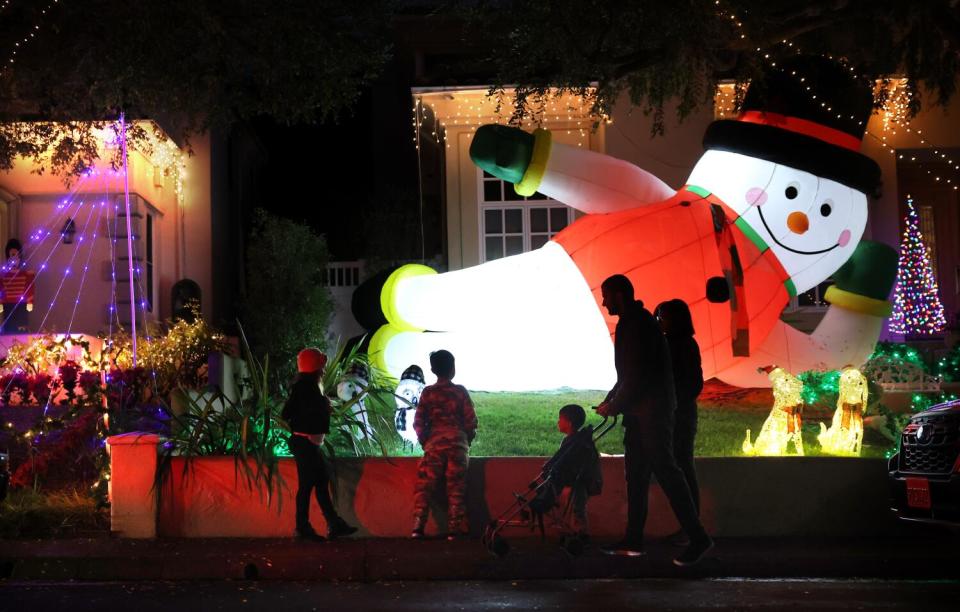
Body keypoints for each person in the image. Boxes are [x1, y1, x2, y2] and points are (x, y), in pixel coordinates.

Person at [596, 274, 713, 566]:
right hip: (641, 413)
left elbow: (637, 375)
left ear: (619, 296)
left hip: (651, 414)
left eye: (607, 296)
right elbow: (628, 375)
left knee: (667, 472)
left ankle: (697, 538)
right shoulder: (636, 323)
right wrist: (613, 400)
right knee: (636, 475)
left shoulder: (636, 325)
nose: (604, 302)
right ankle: (633, 539)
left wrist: (615, 404)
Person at [282, 348, 358, 542]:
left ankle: (330, 524)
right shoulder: (306, 388)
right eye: (322, 366)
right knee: (309, 485)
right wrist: (322, 406)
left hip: (306, 443)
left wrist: (321, 405)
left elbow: (287, 412)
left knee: (319, 482)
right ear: (315, 368)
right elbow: (296, 413)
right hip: (305, 443)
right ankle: (305, 528)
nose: (324, 370)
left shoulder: (304, 387)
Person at [412, 349, 478, 540]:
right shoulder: (460, 392)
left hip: (434, 447)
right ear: (453, 368)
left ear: (433, 369)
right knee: (456, 488)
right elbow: (471, 421)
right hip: (458, 446)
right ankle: (454, 531)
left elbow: (418, 422)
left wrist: (426, 441)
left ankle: (417, 528)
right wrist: (465, 441)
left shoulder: (428, 393)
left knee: (425, 487)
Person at [655, 299, 705, 546]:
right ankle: (690, 526)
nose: (660, 321)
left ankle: (692, 527)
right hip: (675, 412)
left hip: (680, 415)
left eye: (663, 317)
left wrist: (674, 404)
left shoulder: (683, 345)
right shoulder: (672, 344)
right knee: (681, 467)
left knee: (682, 467)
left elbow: (694, 383)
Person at [529, 404, 602, 541]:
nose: (557, 422)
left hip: (579, 482)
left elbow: (568, 462)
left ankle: (581, 536)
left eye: (560, 419)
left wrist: (552, 468)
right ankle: (576, 534)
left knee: (577, 509)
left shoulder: (576, 443)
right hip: (574, 481)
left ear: (568, 423)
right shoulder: (575, 441)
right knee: (575, 509)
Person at [0, 239, 34, 334]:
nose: (14, 259)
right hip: (8, 305)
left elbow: (29, 287)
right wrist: (1, 303)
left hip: (21, 304)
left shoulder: (26, 274)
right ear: (8, 257)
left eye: (17, 255)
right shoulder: (3, 275)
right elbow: (1, 289)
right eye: (12, 255)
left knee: (22, 326)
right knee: (9, 326)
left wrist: (30, 301)